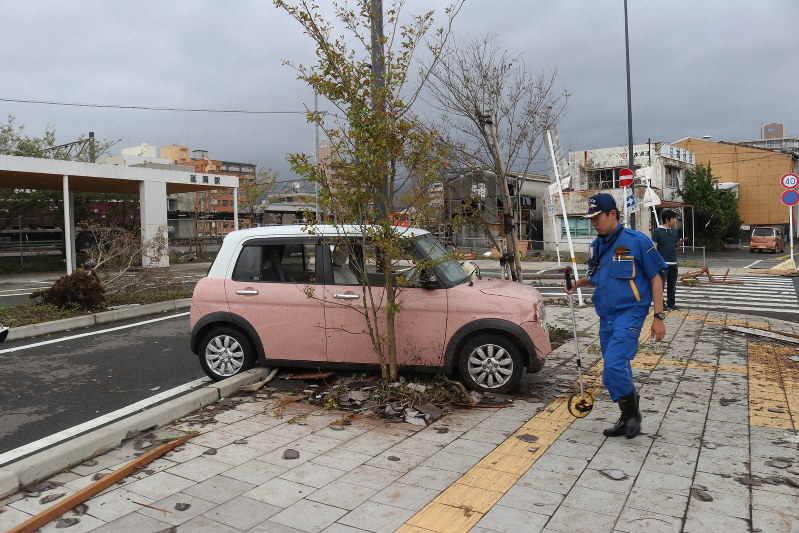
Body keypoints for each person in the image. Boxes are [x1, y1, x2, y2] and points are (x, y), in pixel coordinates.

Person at [564, 193, 667, 439]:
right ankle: (627, 412)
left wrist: (659, 316)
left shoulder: (637, 241)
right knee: (617, 370)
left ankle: (633, 417)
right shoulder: (598, 244)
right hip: (606, 315)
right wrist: (578, 283)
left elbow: (656, 277)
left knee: (612, 368)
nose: (594, 223)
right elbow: (598, 274)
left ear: (613, 214)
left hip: (630, 314)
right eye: (591, 219)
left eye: (597, 217)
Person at [652, 210, 687, 311]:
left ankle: (671, 304)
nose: (675, 220)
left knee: (672, 285)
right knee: (660, 286)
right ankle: (661, 305)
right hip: (663, 263)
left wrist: (679, 243)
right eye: (673, 218)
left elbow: (674, 246)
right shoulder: (657, 231)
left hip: (674, 262)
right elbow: (654, 247)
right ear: (667, 220)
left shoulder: (674, 231)